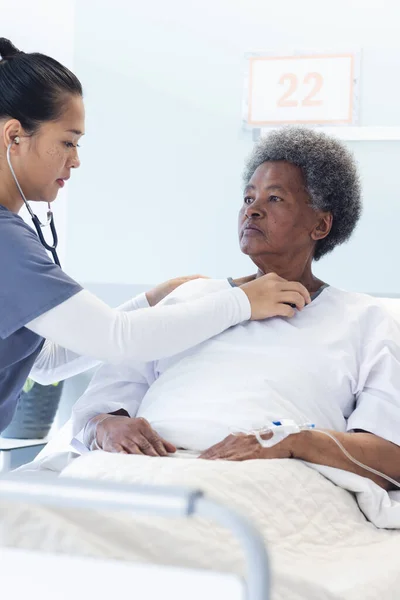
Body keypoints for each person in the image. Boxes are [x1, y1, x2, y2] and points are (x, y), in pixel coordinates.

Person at [0, 38, 308, 434]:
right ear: (14, 137)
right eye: (67, 141)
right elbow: (116, 340)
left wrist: (151, 300)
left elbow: (45, 363)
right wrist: (243, 303)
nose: (76, 159)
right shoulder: (7, 243)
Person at [68, 126, 400, 491]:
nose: (252, 211)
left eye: (274, 199)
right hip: (138, 468)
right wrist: (107, 427)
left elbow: (389, 457)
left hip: (264, 480)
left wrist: (292, 442)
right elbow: (99, 405)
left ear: (320, 225)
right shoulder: (190, 298)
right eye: (248, 198)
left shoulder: (366, 320)